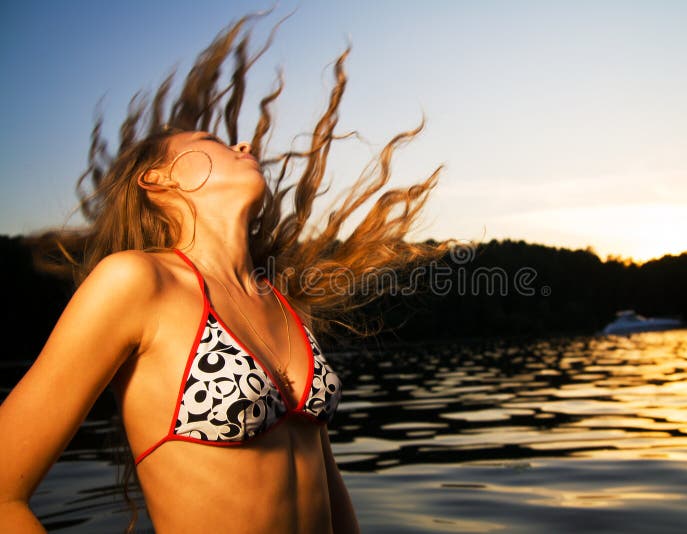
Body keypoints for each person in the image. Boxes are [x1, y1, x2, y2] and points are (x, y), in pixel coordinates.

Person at [0, 12, 443, 534]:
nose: (244, 146)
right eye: (211, 139)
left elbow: (326, 480)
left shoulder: (278, 302)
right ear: (156, 179)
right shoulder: (137, 282)